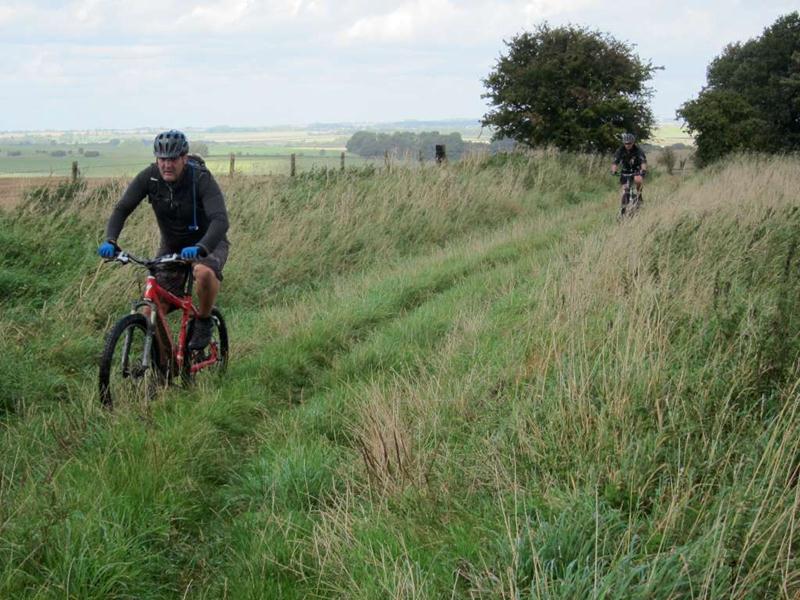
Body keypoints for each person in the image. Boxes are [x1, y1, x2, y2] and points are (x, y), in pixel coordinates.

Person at [98, 130, 230, 350]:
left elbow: (220, 220)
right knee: (150, 311)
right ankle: (165, 363)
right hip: (172, 245)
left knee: (203, 272)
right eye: (162, 159)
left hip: (209, 242)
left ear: (184, 158)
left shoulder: (200, 179)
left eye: (173, 159)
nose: (167, 165)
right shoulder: (150, 177)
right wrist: (111, 240)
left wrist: (202, 247)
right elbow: (122, 209)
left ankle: (204, 320)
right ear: (156, 159)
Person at [611, 132, 647, 214]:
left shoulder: (638, 150)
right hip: (625, 171)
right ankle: (623, 209)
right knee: (625, 189)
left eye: (629, 143)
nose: (627, 145)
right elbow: (615, 162)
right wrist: (613, 170)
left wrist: (643, 170)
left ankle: (639, 195)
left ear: (633, 143)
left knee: (638, 180)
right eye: (626, 143)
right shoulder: (620, 150)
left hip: (636, 170)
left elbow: (643, 162)